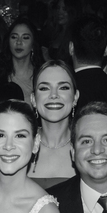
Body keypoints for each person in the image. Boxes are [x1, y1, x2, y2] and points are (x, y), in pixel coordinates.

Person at [29, 59, 78, 188]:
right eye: (44, 88)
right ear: (33, 99)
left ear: (75, 97)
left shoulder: (87, 147)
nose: (54, 95)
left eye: (63, 87)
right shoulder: (20, 145)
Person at [0, 18, 40, 112]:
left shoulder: (42, 78)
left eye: (25, 37)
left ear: (33, 44)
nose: (19, 42)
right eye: (14, 37)